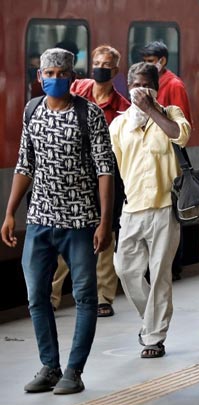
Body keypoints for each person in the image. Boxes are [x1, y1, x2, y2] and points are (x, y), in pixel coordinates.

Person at [2, 48, 114, 394]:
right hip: (39, 219)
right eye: (48, 73)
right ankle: (50, 366)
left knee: (85, 297)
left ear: (71, 77)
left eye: (61, 74)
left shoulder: (89, 114)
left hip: (80, 221)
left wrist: (105, 222)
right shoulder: (32, 110)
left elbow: (105, 170)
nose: (53, 79)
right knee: (37, 295)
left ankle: (74, 371)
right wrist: (10, 212)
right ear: (39, 77)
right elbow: (25, 164)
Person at [110, 62, 191, 358]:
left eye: (146, 85)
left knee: (159, 274)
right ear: (127, 88)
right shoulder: (118, 125)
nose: (140, 90)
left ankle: (154, 337)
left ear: (156, 88)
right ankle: (150, 319)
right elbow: (117, 168)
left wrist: (152, 110)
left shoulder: (172, 114)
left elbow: (180, 136)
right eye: (135, 85)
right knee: (125, 269)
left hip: (165, 207)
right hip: (132, 208)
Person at [51, 45, 130, 317]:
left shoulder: (122, 108)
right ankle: (51, 295)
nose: (100, 68)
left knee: (104, 235)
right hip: (72, 176)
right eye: (97, 63)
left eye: (106, 65)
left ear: (115, 71)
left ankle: (103, 296)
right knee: (64, 235)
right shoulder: (77, 90)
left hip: (105, 178)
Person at [140, 40, 192, 280]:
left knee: (172, 211)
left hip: (170, 154)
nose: (148, 65)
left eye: (151, 61)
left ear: (162, 61)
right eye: (145, 61)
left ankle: (173, 265)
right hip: (152, 154)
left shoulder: (174, 85)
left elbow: (182, 126)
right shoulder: (151, 84)